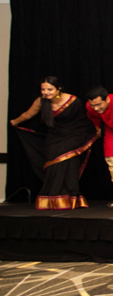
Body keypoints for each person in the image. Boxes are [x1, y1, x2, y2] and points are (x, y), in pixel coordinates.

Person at [10, 77, 99, 210]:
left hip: (73, 136)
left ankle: (70, 198)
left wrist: (96, 131)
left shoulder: (73, 101)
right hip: (54, 138)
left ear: (58, 89)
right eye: (43, 89)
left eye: (49, 89)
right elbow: (28, 115)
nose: (46, 92)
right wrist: (15, 122)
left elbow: (84, 120)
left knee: (68, 164)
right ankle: (52, 199)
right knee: (53, 165)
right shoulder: (41, 102)